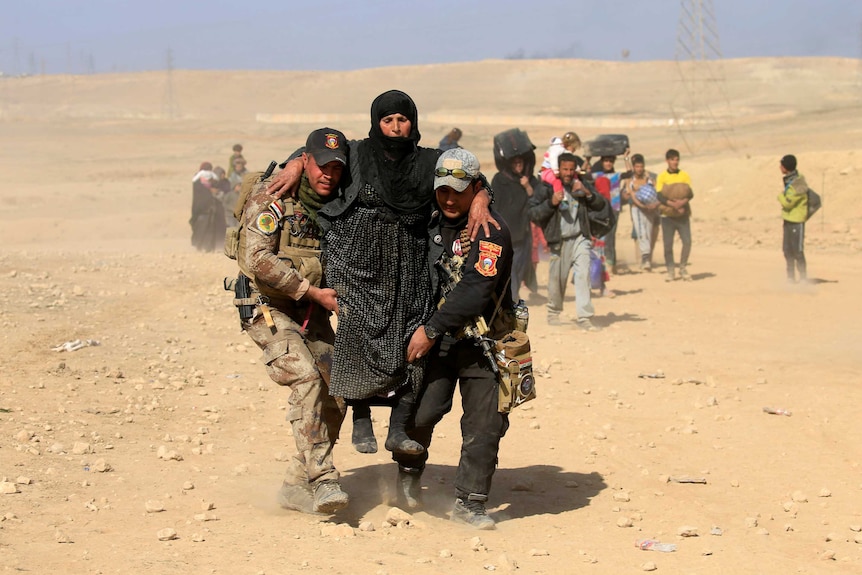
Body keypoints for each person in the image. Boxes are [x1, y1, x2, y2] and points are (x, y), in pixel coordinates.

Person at [267, 90, 497, 460]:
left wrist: (483, 197)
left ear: (413, 123)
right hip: (357, 256)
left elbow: (473, 176)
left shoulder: (430, 161)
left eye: (401, 120)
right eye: (387, 120)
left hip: (410, 259)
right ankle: (360, 417)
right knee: (359, 330)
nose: (394, 127)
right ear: (376, 122)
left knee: (412, 334)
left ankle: (398, 426)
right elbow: (315, 149)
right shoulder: (357, 152)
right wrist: (294, 164)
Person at [234, 128, 349, 514]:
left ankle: (296, 482)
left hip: (310, 309)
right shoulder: (276, 197)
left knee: (337, 390)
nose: (328, 175)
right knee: (306, 376)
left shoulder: (335, 204)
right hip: (268, 305)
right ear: (305, 161)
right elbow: (257, 259)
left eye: (337, 168)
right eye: (321, 165)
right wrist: (310, 291)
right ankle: (322, 478)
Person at [397, 147, 514, 530]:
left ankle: (471, 502)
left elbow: (476, 290)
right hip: (440, 345)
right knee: (423, 412)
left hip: (482, 346)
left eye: (460, 191)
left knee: (484, 426)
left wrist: (430, 330)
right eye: (442, 190)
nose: (449, 198)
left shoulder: (489, 230)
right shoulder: (427, 222)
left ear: (476, 187)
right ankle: (408, 476)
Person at [529, 153, 609, 331]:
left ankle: (585, 317)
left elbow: (600, 204)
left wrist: (587, 193)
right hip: (560, 240)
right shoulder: (548, 187)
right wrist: (551, 202)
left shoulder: (581, 183)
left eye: (571, 169)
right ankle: (553, 312)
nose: (568, 173)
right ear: (559, 169)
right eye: (565, 169)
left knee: (583, 276)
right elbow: (532, 212)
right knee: (558, 279)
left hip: (581, 238)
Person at [492, 145, 538, 302]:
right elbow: (494, 204)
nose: (519, 166)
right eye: (515, 163)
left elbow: (537, 200)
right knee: (507, 268)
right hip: (504, 231)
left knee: (519, 267)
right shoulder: (500, 179)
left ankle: (512, 295)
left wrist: (528, 187)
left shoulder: (529, 180)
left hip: (522, 233)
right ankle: (510, 297)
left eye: (521, 163)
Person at [655, 149, 694, 281]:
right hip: (667, 216)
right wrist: (672, 205)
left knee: (687, 242)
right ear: (667, 161)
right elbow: (659, 195)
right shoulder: (662, 177)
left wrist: (682, 203)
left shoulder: (684, 175)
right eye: (672, 159)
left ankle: (683, 267)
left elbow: (690, 193)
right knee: (668, 245)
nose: (675, 162)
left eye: (677, 159)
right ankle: (670, 270)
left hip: (683, 215)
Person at [622, 153, 660, 271]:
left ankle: (646, 258)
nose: (639, 169)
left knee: (648, 232)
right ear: (634, 167)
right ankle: (645, 257)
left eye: (641, 166)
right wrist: (626, 158)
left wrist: (653, 205)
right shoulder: (630, 179)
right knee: (641, 232)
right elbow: (631, 194)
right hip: (637, 208)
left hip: (650, 209)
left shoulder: (648, 178)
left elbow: (655, 191)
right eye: (637, 166)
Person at [777, 154, 809, 282]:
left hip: (797, 221)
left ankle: (803, 279)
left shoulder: (798, 183)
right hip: (788, 220)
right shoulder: (791, 180)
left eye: (781, 165)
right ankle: (790, 278)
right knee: (787, 251)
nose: (779, 167)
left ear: (786, 167)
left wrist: (780, 196)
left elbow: (787, 203)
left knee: (797, 252)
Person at [190, 162, 227, 252]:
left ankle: (206, 247)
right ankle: (202, 247)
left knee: (207, 229)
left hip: (206, 209)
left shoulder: (200, 180)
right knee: (203, 228)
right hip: (203, 209)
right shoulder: (200, 181)